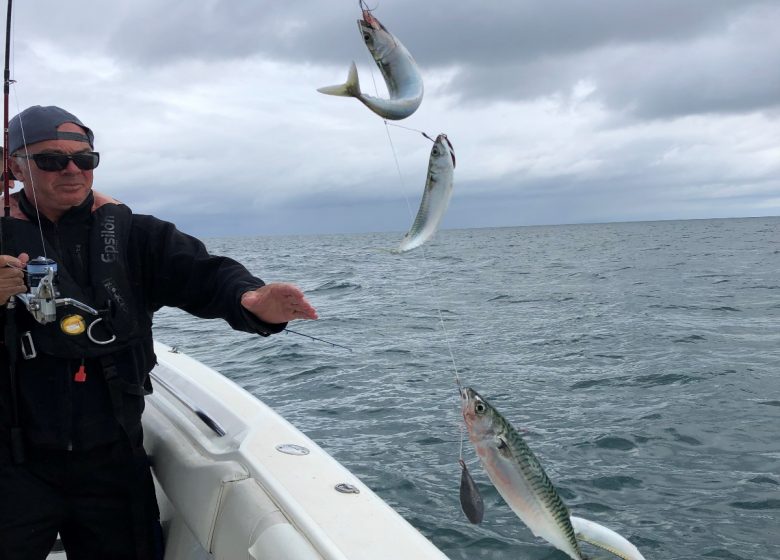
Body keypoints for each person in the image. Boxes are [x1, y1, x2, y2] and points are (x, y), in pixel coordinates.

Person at [0, 105, 318, 560]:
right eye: (51, 160)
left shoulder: (135, 235)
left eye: (85, 159)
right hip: (12, 464)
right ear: (15, 165)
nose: (72, 170)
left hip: (112, 460)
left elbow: (208, 275)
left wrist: (251, 300)